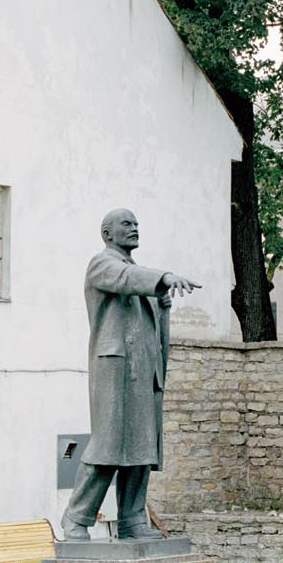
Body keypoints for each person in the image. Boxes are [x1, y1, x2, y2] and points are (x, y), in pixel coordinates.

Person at [61, 208, 199, 540]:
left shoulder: (138, 272)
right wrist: (164, 278)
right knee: (108, 446)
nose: (135, 228)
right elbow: (125, 280)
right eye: (127, 224)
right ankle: (76, 519)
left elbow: (154, 330)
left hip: (144, 373)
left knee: (141, 450)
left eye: (137, 223)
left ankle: (132, 521)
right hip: (116, 370)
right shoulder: (103, 264)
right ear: (107, 233)